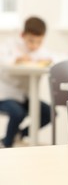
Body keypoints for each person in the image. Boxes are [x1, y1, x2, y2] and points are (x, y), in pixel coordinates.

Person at [0, 16, 52, 148]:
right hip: (5, 96)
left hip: (25, 97)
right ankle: (7, 146)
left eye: (39, 42)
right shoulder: (10, 46)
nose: (34, 45)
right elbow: (3, 60)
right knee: (18, 113)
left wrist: (47, 60)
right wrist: (16, 59)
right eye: (31, 41)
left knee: (49, 112)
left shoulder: (41, 51)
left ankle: (18, 134)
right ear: (23, 35)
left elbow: (53, 58)